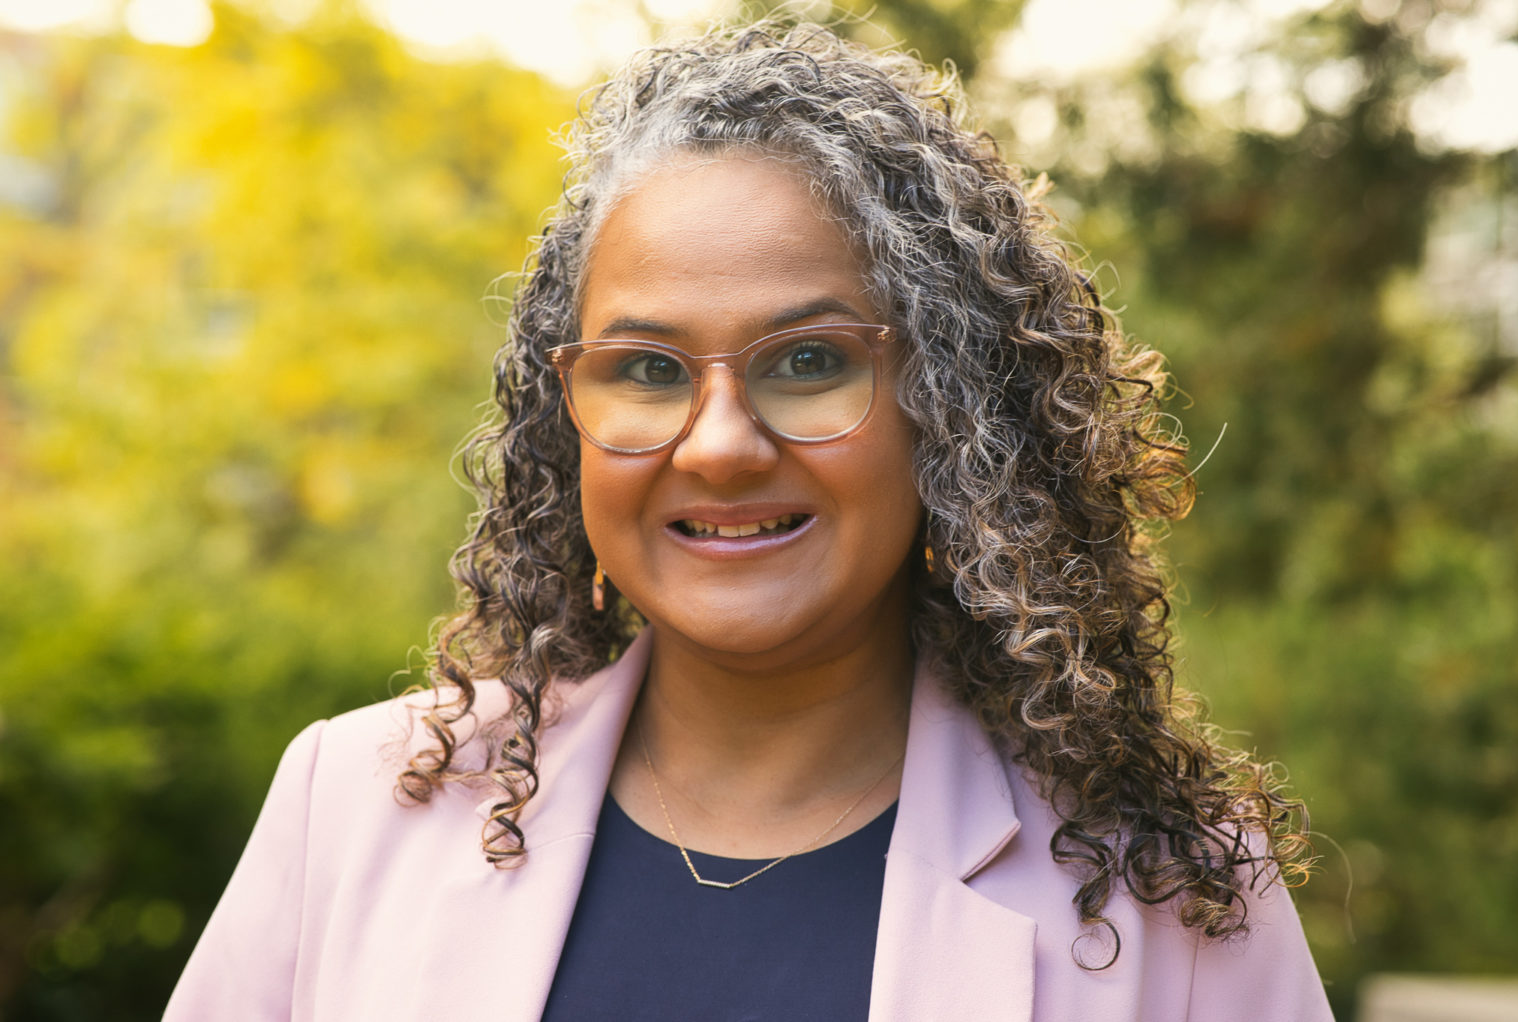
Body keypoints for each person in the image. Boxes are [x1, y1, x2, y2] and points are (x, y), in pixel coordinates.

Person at [166, 21, 1331, 1021]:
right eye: (648, 368)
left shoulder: (1171, 889)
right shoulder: (355, 804)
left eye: (810, 360)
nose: (720, 443)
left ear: (951, 403)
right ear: (564, 412)